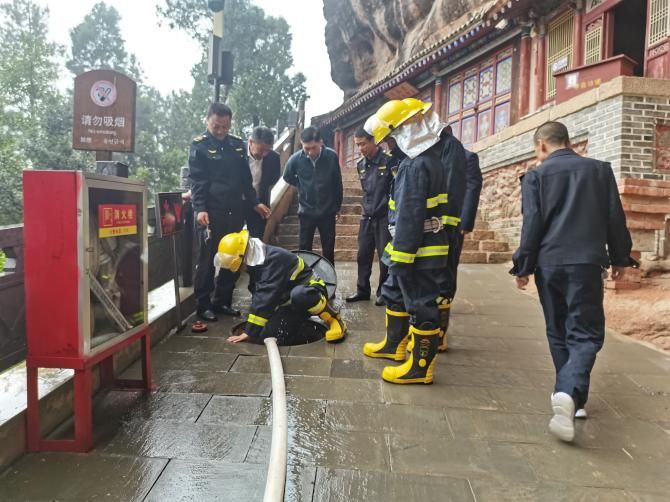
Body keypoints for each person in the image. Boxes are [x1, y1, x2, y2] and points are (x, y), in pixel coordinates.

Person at [511, 121, 637, 442]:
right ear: (568, 142)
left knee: (557, 329)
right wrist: (621, 258)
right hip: (586, 264)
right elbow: (615, 218)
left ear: (541, 145)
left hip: (549, 264)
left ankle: (568, 396)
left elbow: (532, 225)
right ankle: (571, 395)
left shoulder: (535, 177)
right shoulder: (599, 171)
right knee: (585, 333)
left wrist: (523, 266)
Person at [361, 98, 451, 385]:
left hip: (417, 249)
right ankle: (394, 345)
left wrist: (400, 259)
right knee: (394, 292)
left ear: (402, 132)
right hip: (414, 244)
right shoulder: (426, 160)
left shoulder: (414, 166)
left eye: (389, 140)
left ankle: (420, 369)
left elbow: (410, 216)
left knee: (421, 304)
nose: (388, 146)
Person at [189, 102, 271, 322]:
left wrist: (254, 203)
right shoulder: (199, 146)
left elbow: (245, 180)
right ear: (207, 121)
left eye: (225, 127)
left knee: (232, 258)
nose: (220, 131)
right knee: (207, 259)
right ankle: (203, 304)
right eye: (216, 126)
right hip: (211, 211)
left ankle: (222, 300)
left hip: (234, 211)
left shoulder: (236, 145)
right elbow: (197, 181)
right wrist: (200, 208)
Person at [214, 230, 346, 344]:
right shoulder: (256, 260)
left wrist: (249, 332)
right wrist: (260, 323)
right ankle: (298, 321)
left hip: (311, 291)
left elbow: (264, 298)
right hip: (288, 299)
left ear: (242, 256)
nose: (238, 269)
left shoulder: (273, 260)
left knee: (299, 295)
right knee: (269, 334)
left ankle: (334, 319)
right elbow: (260, 294)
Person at [438, 136, 481, 351]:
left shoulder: (468, 157)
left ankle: (442, 323)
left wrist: (466, 221)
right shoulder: (431, 156)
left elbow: (472, 187)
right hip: (432, 223)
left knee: (448, 268)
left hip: (454, 223)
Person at [346, 127, 395, 306]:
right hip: (366, 217)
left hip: (384, 217)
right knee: (363, 255)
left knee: (385, 257)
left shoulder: (389, 161)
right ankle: (362, 290)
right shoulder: (361, 165)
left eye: (364, 144)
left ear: (374, 141)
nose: (361, 148)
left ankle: (384, 292)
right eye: (358, 145)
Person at [283, 126, 343, 264]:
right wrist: (301, 185)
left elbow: (337, 182)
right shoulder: (296, 159)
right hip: (306, 211)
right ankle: (305, 276)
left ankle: (329, 276)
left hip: (327, 211)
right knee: (304, 249)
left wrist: (337, 206)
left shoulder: (331, 156)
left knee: (328, 249)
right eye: (306, 148)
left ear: (321, 142)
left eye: (313, 148)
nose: (310, 152)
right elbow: (287, 176)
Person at [246, 126, 280, 239]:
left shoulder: (274, 158)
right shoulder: (238, 153)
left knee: (256, 240)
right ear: (251, 142)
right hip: (237, 203)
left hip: (260, 204)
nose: (264, 154)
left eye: (267, 150)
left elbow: (273, 179)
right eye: (261, 150)